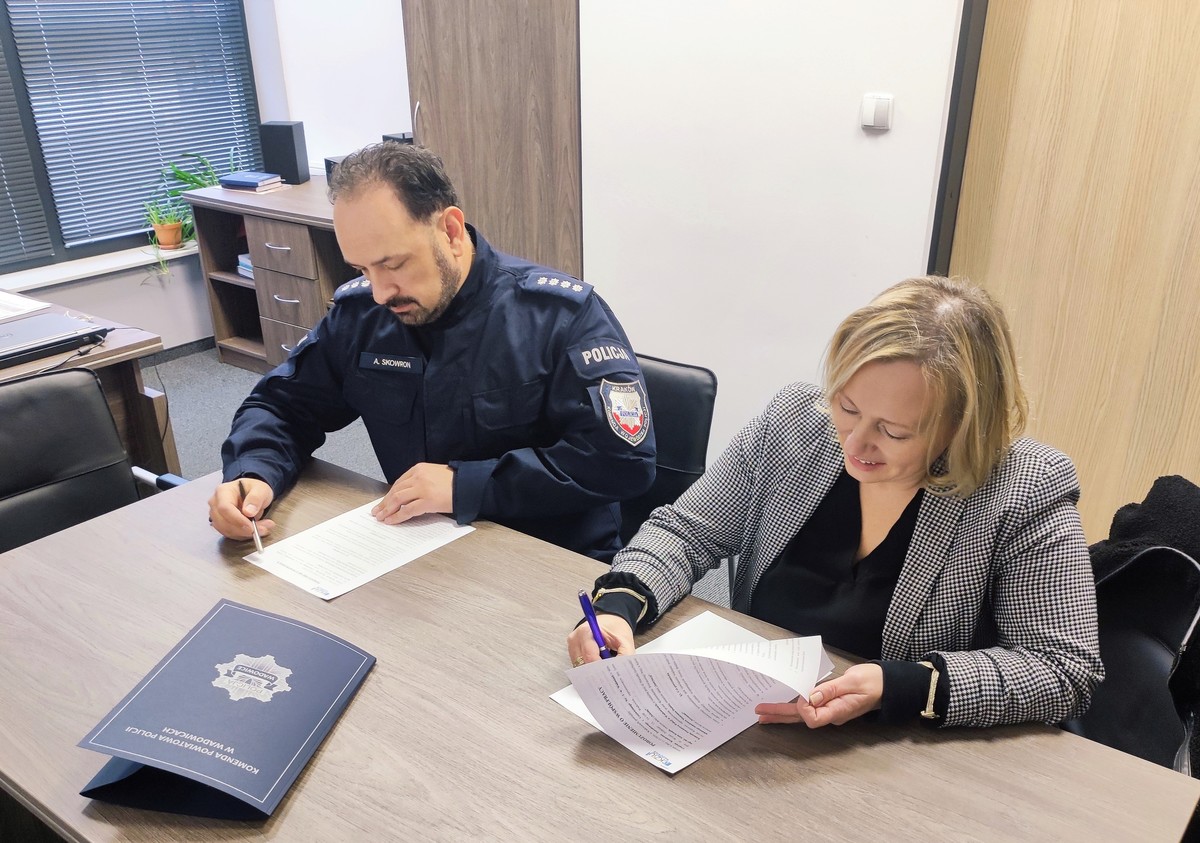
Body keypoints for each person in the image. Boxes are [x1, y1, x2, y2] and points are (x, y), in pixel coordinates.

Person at [567, 276, 1103, 728]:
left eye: (893, 431)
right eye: (847, 407)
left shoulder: (1025, 487)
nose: (855, 443)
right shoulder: (796, 422)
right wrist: (619, 607)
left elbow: (1064, 669)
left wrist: (906, 686)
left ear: (962, 427)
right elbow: (686, 532)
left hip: (899, 756)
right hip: (749, 726)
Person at [208, 142, 655, 561]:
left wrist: (466, 486)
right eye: (363, 269)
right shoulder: (364, 315)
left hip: (549, 559)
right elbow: (282, 406)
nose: (380, 292)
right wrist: (254, 472)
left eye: (393, 264)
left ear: (451, 232)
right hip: (417, 552)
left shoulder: (559, 317)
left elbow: (622, 462)